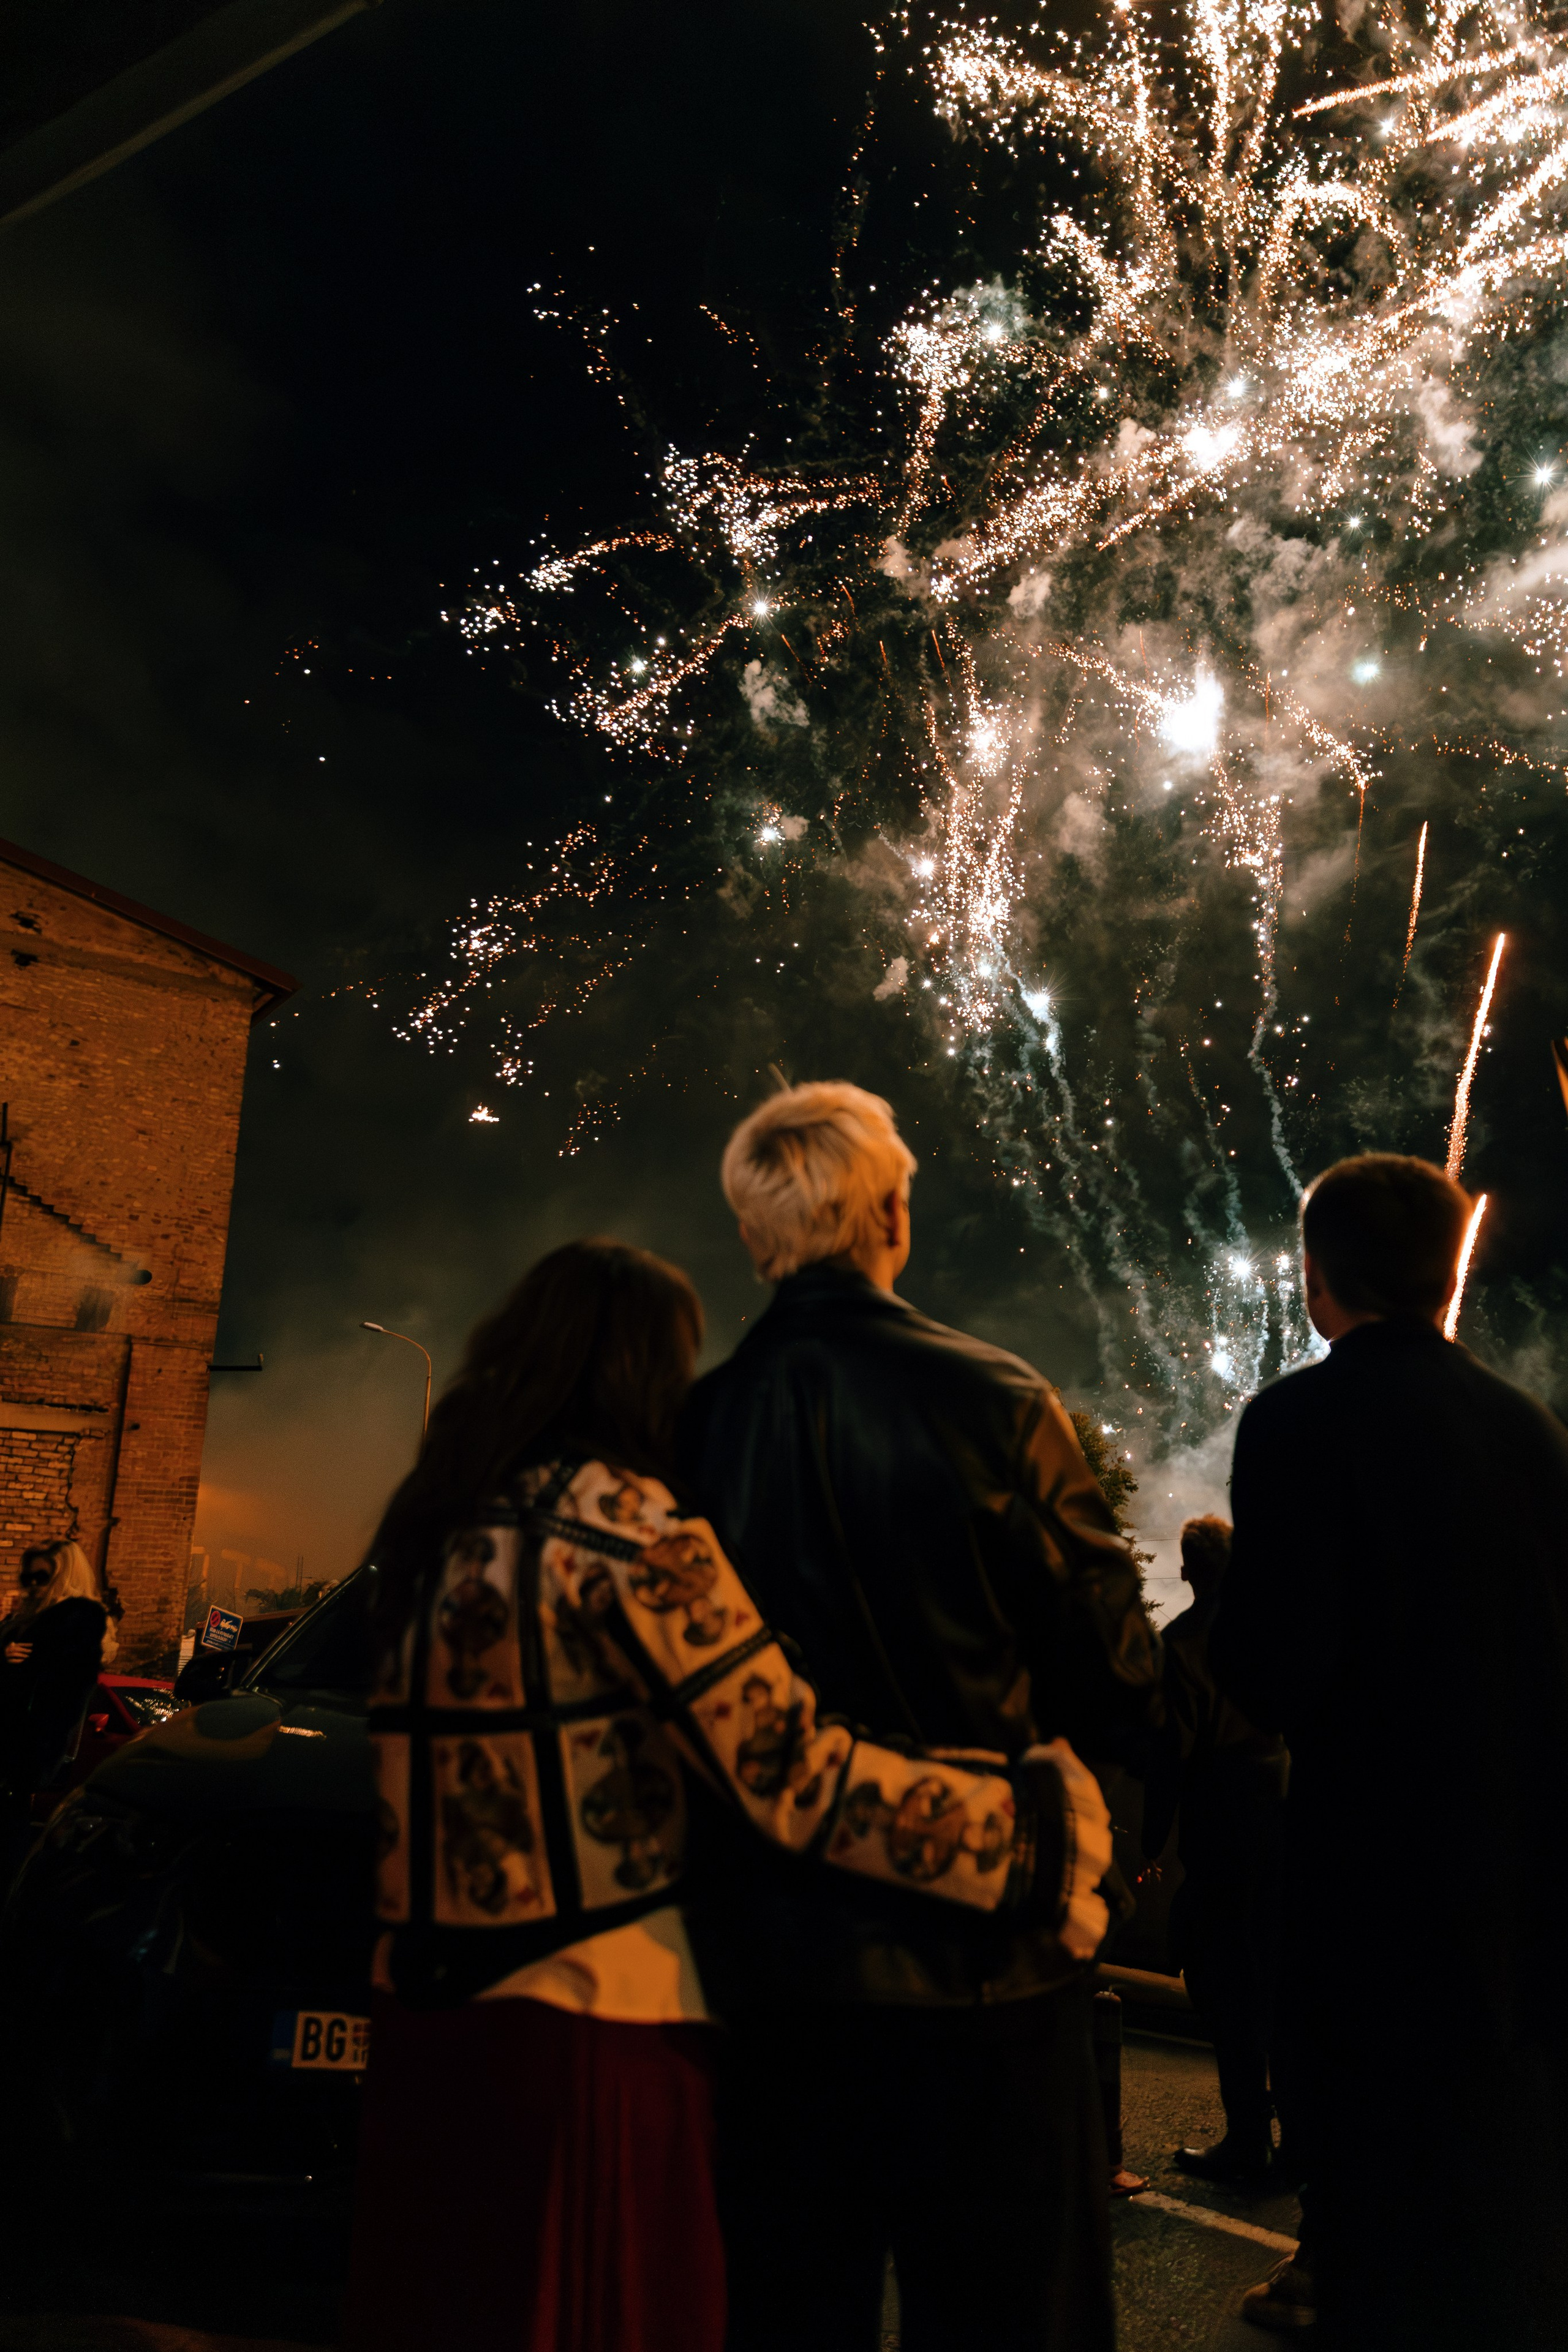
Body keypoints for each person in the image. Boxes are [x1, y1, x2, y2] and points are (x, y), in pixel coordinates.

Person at [344, 1238, 1109, 2352]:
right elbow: (790, 1772)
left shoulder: (439, 1533)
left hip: (429, 2037)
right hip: (590, 2033)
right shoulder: (629, 1531)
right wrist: (1030, 1834)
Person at [679, 1081, 1163, 2352]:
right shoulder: (996, 1398)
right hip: (984, 1964)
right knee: (1010, 2316)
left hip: (764, 1975)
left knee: (784, 2315)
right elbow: (1116, 1675)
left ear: (755, 1235)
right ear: (892, 1215)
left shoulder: (691, 1430)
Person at [1211, 1154, 1568, 2348]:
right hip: (1517, 1885)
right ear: (1447, 1274)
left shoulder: (1295, 1423)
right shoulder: (1530, 1430)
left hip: (1365, 1881)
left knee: (1376, 2223)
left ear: (1315, 1277)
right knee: (1500, 2217)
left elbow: (1268, 1673)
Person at [1140, 1514, 1288, 2187]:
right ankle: (1298, 2142)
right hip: (1280, 1816)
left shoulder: (1182, 1643)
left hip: (1221, 1820)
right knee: (1278, 1977)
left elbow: (1170, 1755)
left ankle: (1248, 2139)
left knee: (1223, 1979)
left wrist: (1151, 1842)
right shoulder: (1273, 1634)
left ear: (1188, 1570)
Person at [0, 1539, 118, 1868]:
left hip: (19, 1755)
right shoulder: (25, 1619)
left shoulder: (74, 1621)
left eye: (42, 1577)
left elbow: (60, 1699)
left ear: (63, 1576)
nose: (33, 1585)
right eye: (28, 1577)